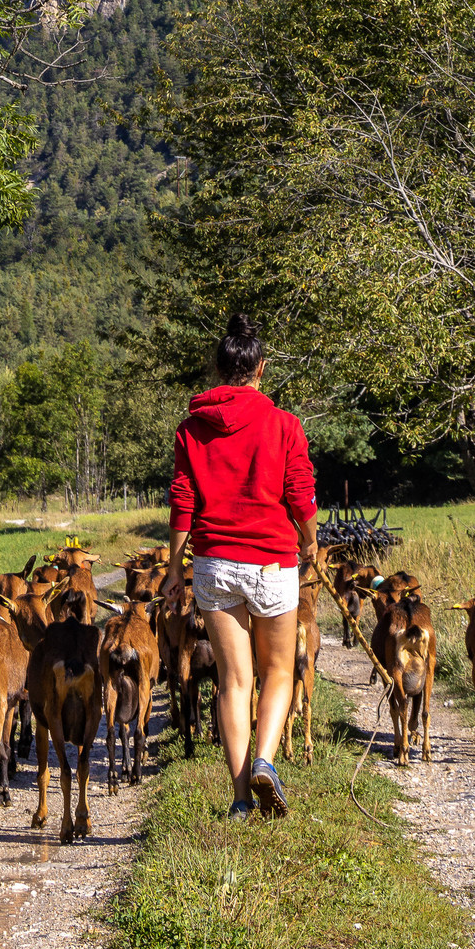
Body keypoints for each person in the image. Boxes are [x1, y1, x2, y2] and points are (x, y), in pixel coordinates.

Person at [162, 312, 318, 818]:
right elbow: (299, 493)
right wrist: (310, 542)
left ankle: (240, 800)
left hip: (214, 566)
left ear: (218, 370)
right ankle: (265, 760)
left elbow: (183, 501)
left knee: (233, 681)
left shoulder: (192, 429)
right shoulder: (284, 425)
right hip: (272, 562)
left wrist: (173, 569)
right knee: (278, 672)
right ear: (261, 368)